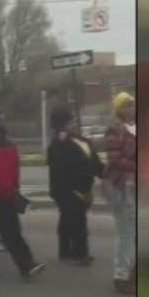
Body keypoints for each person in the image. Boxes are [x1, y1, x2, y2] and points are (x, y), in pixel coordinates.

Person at [0, 111, 44, 281]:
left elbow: (14, 169)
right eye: (1, 120)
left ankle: (27, 265)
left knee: (13, 233)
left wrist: (15, 187)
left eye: (4, 119)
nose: (5, 123)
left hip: (7, 196)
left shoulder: (10, 145)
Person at [47, 107, 104, 266]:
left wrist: (106, 174)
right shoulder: (59, 143)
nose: (70, 125)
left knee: (68, 219)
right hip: (67, 189)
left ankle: (65, 251)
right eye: (68, 122)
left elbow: (95, 164)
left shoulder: (82, 141)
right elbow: (58, 168)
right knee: (77, 221)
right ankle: (80, 254)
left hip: (80, 188)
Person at [104, 92, 137, 295]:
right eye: (127, 105)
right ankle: (120, 276)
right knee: (125, 234)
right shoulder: (114, 131)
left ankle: (130, 272)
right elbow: (114, 160)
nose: (132, 108)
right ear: (119, 109)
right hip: (121, 187)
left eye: (133, 105)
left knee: (134, 233)